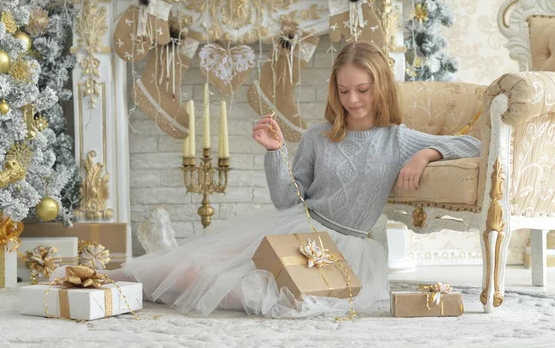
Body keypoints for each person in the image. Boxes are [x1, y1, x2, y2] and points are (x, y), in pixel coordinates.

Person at [53, 41, 481, 318]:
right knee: (190, 267)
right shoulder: (317, 136)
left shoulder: (398, 139)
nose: (353, 100)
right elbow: (284, 199)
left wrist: (427, 153)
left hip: (347, 248)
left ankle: (111, 286)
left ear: (381, 87)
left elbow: (473, 145)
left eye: (363, 90)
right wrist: (275, 152)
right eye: (345, 90)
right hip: (294, 229)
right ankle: (87, 285)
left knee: (267, 298)